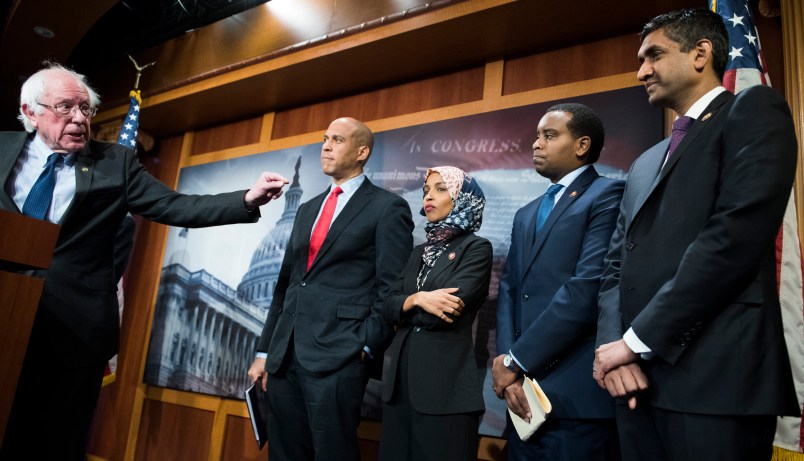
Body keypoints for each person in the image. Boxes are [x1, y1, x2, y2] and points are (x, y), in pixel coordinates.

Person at [0, 63, 289, 460]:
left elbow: (175, 204)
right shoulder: (1, 150)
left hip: (73, 331)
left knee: (55, 444)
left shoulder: (113, 162)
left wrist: (246, 199)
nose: (80, 119)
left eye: (86, 109)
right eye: (65, 107)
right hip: (6, 317)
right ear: (30, 111)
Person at [593, 8, 799, 461]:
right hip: (635, 383)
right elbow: (615, 265)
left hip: (716, 384)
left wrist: (634, 342)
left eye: (654, 55)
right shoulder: (646, 161)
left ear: (701, 53)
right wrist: (615, 349)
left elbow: (734, 238)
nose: (641, 70)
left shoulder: (754, 109)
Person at [247, 117, 414, 461]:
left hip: (339, 359)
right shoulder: (307, 209)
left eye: (337, 140)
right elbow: (286, 287)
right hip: (284, 360)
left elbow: (390, 290)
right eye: (325, 138)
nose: (325, 146)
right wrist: (265, 352)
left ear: (362, 152)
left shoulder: (387, 207)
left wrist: (363, 348)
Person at [493, 103, 624, 460]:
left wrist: (515, 361)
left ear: (582, 145)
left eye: (549, 135)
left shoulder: (607, 196)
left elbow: (586, 288)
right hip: (521, 398)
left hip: (574, 397)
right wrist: (507, 364)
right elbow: (509, 291)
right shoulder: (526, 213)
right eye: (536, 136)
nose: (536, 144)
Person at [378, 166, 492, 461]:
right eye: (427, 190)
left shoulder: (476, 249)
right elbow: (385, 306)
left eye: (441, 189)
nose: (429, 196)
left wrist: (405, 306)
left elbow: (442, 313)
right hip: (399, 390)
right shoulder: (418, 253)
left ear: (462, 198)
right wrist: (417, 299)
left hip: (446, 391)